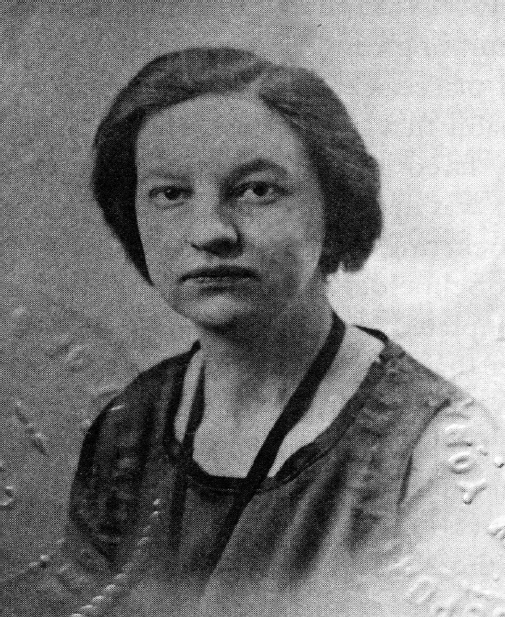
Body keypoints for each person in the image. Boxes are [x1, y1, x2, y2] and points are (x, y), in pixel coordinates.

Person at [9, 47, 505, 617]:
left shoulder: (431, 446)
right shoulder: (130, 426)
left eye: (257, 190)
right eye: (170, 194)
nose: (211, 231)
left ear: (334, 207)